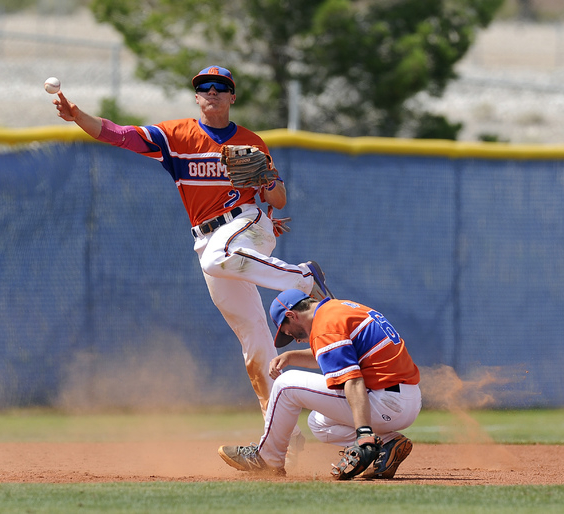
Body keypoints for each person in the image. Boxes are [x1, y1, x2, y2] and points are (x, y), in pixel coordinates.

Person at [51, 66, 333, 444]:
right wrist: (78, 116)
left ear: (233, 97)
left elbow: (279, 200)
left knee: (216, 258)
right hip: (208, 238)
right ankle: (281, 436)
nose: (212, 91)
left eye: (221, 87)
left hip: (248, 224)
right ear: (197, 97)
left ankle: (303, 278)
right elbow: (120, 135)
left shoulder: (251, 142)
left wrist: (264, 176)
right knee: (254, 342)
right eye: (204, 87)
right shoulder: (174, 136)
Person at [218, 289, 422, 479]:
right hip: (404, 398)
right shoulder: (339, 309)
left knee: (286, 384)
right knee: (319, 423)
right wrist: (290, 357)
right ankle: (388, 443)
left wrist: (364, 433)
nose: (290, 337)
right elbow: (333, 354)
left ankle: (267, 459)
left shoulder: (326, 325)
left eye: (286, 331)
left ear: (291, 315)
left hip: (385, 400)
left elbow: (352, 380)